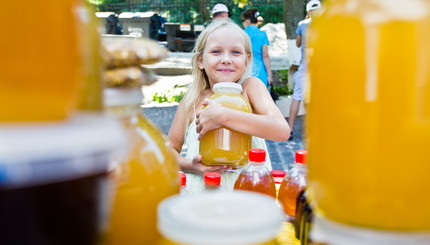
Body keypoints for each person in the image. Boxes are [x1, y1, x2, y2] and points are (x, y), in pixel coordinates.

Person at [167, 19, 290, 193]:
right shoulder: (192, 100)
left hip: (248, 196)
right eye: (216, 51)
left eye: (235, 52)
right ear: (201, 60)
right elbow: (169, 149)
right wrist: (190, 165)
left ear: (247, 60)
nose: (226, 59)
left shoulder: (250, 89)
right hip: (202, 197)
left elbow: (282, 131)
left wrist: (223, 116)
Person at [288, 0, 321, 140]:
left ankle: (289, 130)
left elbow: (297, 43)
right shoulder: (326, 24)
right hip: (320, 66)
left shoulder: (302, 25)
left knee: (297, 97)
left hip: (305, 65)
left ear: (308, 11)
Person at [241, 9, 273, 88]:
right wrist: (269, 75)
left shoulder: (240, 34)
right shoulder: (262, 34)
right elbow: (265, 56)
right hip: (260, 71)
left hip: (244, 70)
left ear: (247, 20)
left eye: (243, 20)